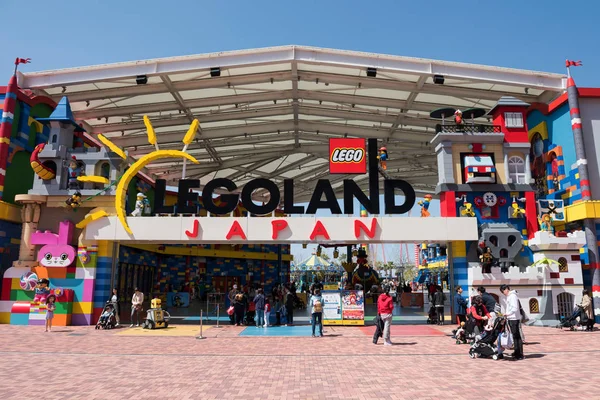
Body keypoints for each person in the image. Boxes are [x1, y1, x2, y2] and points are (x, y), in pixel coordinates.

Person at [500, 284, 524, 360]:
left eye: (503, 291)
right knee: (514, 336)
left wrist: (508, 313)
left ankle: (519, 354)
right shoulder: (510, 296)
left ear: (507, 289)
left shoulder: (512, 296)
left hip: (514, 318)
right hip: (511, 318)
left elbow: (514, 308)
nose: (503, 293)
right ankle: (516, 351)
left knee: (517, 336)